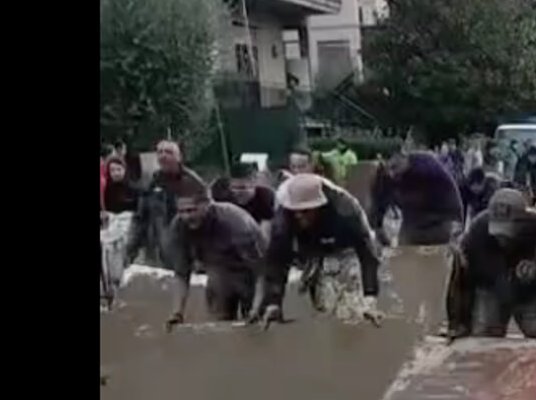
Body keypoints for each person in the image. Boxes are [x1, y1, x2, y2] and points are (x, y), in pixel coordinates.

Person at [251, 173, 382, 326]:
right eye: (296, 211)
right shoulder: (285, 217)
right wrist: (274, 302)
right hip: (311, 246)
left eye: (305, 211)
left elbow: (367, 253)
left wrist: (370, 296)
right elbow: (277, 261)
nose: (299, 215)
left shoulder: (346, 210)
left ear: (318, 205)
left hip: (345, 245)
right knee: (326, 306)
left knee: (351, 307)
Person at [445, 189, 536, 343]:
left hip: (531, 295)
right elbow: (461, 282)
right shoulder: (476, 232)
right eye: (497, 231)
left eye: (507, 231)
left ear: (523, 221)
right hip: (490, 290)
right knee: (482, 341)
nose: (501, 238)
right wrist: (459, 324)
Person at [164, 178, 267, 328]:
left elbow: (261, 271)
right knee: (218, 328)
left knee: (256, 327)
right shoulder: (179, 226)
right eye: (181, 211)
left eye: (191, 210)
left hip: (248, 272)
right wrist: (177, 313)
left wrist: (256, 308)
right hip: (217, 272)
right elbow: (181, 273)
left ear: (207, 204)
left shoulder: (234, 222)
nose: (186, 217)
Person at [124, 140, 204, 268]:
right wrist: (130, 250)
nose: (163, 155)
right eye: (160, 152)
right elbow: (140, 218)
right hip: (155, 252)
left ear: (179, 157)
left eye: (169, 152)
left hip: (184, 254)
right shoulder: (152, 182)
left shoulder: (193, 183)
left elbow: (206, 220)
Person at [369, 146, 464, 246]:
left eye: (394, 167)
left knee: (439, 252)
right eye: (387, 169)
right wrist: (381, 234)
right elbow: (378, 204)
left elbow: (451, 190)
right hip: (412, 222)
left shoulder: (426, 165)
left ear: (404, 156)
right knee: (405, 250)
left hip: (439, 219)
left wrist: (457, 222)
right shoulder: (384, 177)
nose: (391, 174)